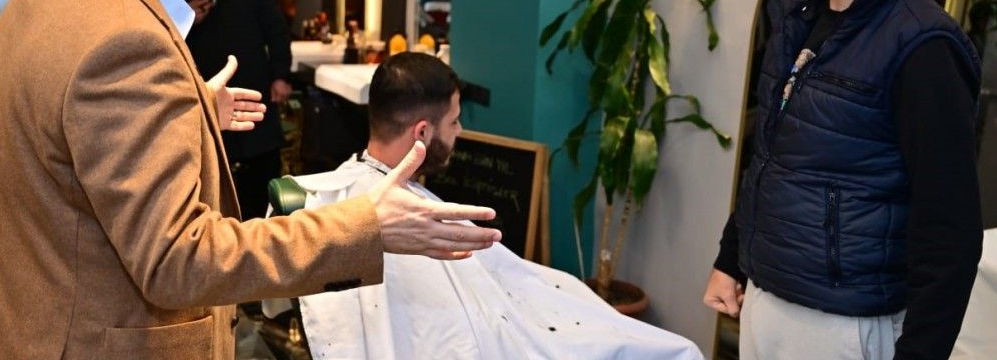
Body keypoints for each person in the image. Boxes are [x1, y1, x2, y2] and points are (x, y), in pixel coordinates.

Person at [0, 0, 500, 360]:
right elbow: (179, 260)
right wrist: (365, 227)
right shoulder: (126, 44)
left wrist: (184, 110)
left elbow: (64, 140)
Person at [703, 0, 983, 360]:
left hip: (844, 326)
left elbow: (950, 229)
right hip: (765, 295)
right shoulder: (795, 12)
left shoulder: (925, 47)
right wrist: (731, 257)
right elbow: (772, 156)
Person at [294, 53, 703, 360]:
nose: (460, 131)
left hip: (527, 315)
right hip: (518, 337)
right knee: (675, 351)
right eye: (454, 121)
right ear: (422, 132)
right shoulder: (380, 213)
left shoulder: (334, 202)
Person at [182, 0, 293, 220]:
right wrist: (185, 17)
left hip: (252, 88)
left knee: (261, 175)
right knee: (211, 181)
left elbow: (277, 30)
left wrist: (280, 75)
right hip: (203, 96)